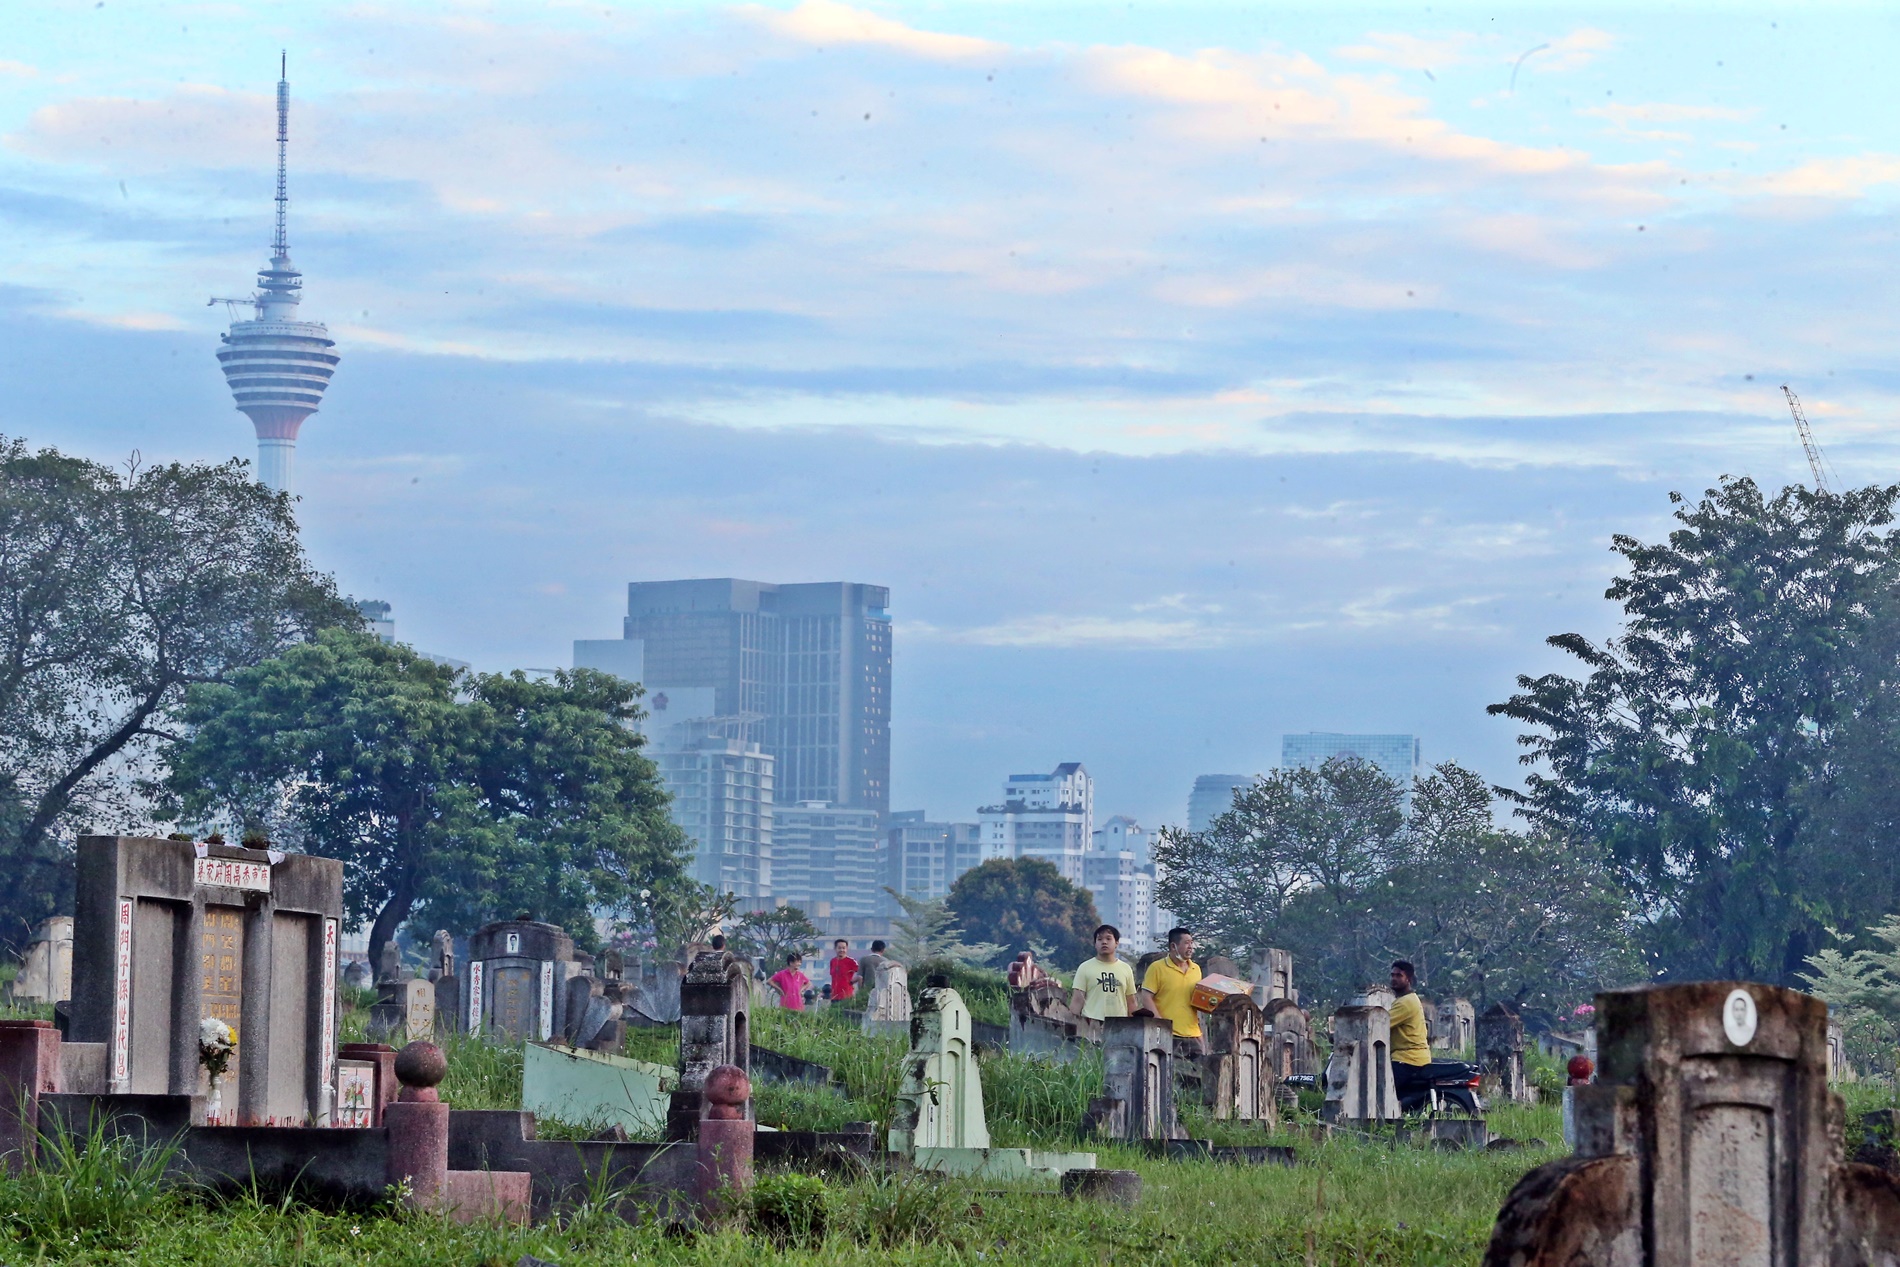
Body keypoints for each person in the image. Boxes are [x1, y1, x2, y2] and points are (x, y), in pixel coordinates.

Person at [1137, 927, 1204, 1058]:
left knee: (1200, 1075)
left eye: (1191, 942)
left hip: (1193, 1035)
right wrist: (1161, 1024)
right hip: (1169, 1034)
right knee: (1170, 1075)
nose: (1190, 947)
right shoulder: (1157, 968)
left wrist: (1200, 1035)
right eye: (1186, 943)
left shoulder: (1196, 969)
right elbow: (1146, 997)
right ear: (1173, 946)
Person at [1070, 924, 1136, 1021]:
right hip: (1090, 1025)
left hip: (1119, 1026)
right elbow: (1077, 1001)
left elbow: (1131, 1001)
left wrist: (1133, 1026)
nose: (1104, 942)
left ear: (1116, 942)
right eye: (1100, 939)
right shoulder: (1085, 968)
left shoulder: (1126, 969)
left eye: (1108, 939)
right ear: (1095, 944)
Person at [828, 938, 860, 1003]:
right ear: (835, 948)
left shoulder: (851, 961)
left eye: (843, 948)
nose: (841, 950)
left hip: (846, 995)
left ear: (847, 949)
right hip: (834, 995)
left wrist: (852, 981)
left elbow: (861, 973)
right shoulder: (833, 961)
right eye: (839, 948)